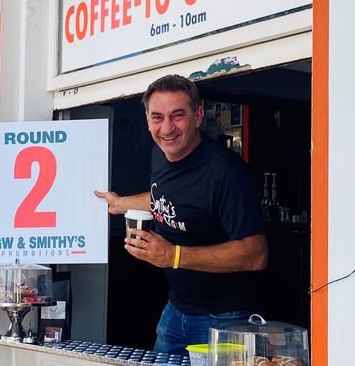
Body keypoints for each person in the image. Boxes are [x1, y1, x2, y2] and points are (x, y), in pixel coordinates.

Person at [94, 74, 267, 355]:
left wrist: (172, 255)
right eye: (157, 117)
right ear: (147, 119)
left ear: (198, 116)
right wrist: (122, 203)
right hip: (177, 308)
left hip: (226, 317)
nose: (167, 128)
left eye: (178, 116)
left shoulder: (225, 172)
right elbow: (166, 199)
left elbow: (256, 254)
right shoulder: (160, 154)